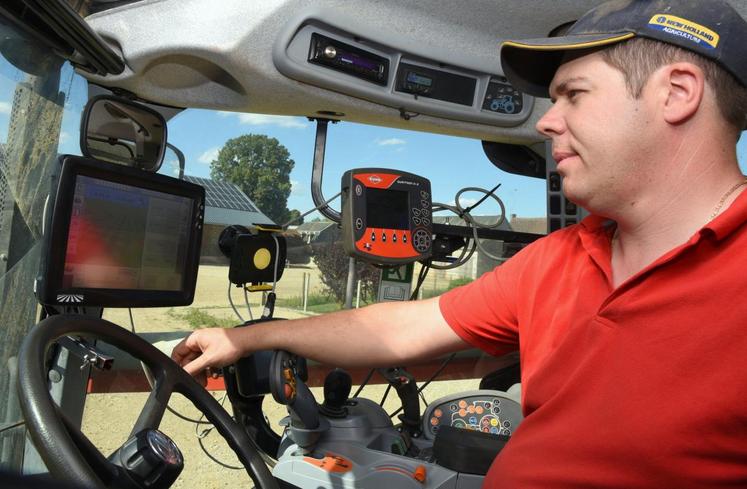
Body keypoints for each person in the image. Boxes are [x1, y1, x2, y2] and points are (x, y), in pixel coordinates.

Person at [173, 0, 747, 487]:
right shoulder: (558, 257)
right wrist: (246, 337)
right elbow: (403, 328)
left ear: (676, 93)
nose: (547, 122)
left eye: (573, 94)